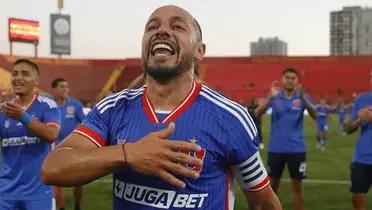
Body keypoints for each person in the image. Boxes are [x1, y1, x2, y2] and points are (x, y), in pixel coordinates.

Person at [42, 5, 282, 210]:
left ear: (199, 51)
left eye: (177, 26)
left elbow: (262, 201)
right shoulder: (112, 108)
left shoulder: (231, 117)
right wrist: (127, 154)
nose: (162, 31)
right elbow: (54, 168)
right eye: (152, 27)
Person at [0, 59, 61, 210]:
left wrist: (22, 116)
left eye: (25, 74)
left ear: (36, 80)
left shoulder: (47, 105)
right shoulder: (4, 110)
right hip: (6, 192)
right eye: (15, 74)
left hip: (38, 192)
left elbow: (52, 134)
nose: (18, 78)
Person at [255, 68, 317, 210]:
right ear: (283, 80)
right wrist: (270, 97)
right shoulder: (275, 96)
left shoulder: (302, 97)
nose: (289, 80)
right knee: (272, 187)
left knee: (297, 188)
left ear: (297, 81)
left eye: (292, 78)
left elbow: (315, 116)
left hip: (297, 150)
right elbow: (257, 113)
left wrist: (303, 99)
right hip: (276, 149)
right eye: (287, 77)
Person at [51, 78, 85, 210]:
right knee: (57, 182)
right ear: (54, 89)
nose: (65, 89)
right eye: (61, 86)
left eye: (66, 86)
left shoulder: (75, 105)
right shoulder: (50, 106)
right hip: (55, 149)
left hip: (74, 148)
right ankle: (62, 208)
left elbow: (85, 123)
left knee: (78, 181)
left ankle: (77, 206)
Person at [344, 92, 372, 210]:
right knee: (356, 198)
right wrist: (359, 120)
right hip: (362, 158)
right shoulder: (362, 99)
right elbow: (348, 129)